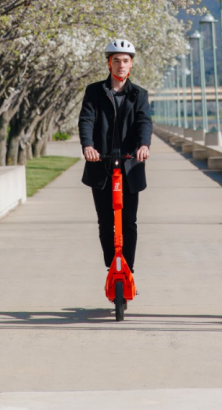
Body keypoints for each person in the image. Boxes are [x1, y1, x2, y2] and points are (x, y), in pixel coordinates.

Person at [78, 39, 152, 272]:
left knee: (129, 221)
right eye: (116, 61)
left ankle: (127, 271)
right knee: (105, 222)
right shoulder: (94, 92)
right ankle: (112, 269)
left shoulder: (139, 94)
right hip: (101, 163)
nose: (121, 65)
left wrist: (143, 145)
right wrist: (88, 146)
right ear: (109, 64)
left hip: (130, 164)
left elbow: (144, 121)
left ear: (131, 65)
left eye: (126, 61)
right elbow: (86, 120)